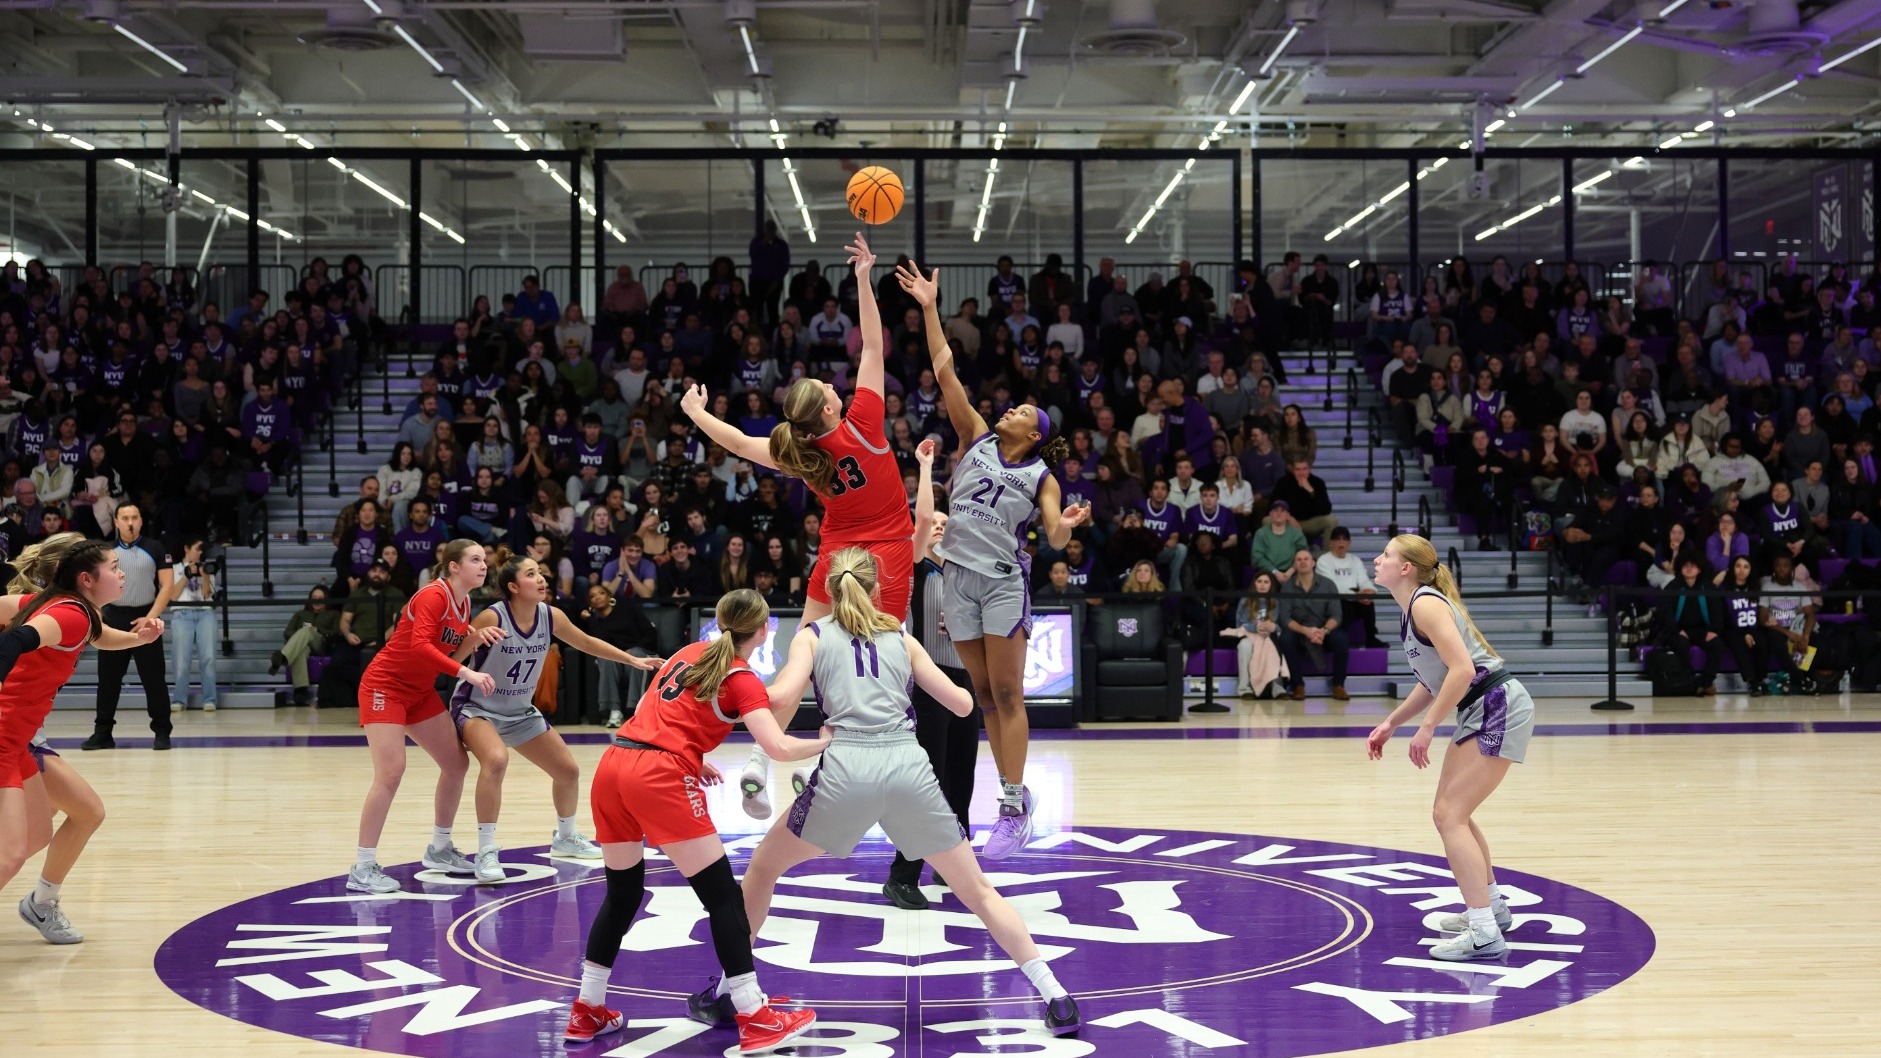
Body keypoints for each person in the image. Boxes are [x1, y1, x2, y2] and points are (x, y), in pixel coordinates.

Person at [747, 547, 1083, 1035]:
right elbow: (965, 705)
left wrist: (730, 684)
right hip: (908, 768)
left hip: (847, 769)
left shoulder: (811, 637)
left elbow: (779, 697)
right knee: (980, 893)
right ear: (878, 589)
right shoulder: (900, 635)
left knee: (763, 868)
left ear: (829, 591)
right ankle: (1055, 994)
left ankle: (729, 989)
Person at [676, 235, 912, 816]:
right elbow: (875, 347)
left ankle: (760, 760)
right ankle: (843, 766)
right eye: (830, 389)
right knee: (881, 663)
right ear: (830, 409)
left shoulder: (798, 452)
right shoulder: (864, 422)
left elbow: (734, 441)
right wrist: (862, 278)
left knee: (800, 663)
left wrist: (697, 413)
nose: (837, 385)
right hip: (886, 555)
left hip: (834, 554)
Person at [565, 590, 824, 1052]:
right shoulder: (741, 677)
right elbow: (779, 748)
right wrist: (825, 741)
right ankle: (753, 1013)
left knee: (622, 895)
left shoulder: (687, 652)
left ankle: (587, 1009)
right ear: (764, 631)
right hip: (658, 776)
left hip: (614, 765)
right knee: (724, 898)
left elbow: (661, 717)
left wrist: (691, 757)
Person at [902, 258, 1087, 858]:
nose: (1011, 408)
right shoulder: (975, 436)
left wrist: (1068, 528)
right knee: (981, 698)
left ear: (1035, 433)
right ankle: (1013, 799)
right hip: (956, 579)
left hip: (1004, 583)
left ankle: (1011, 802)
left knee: (1008, 697)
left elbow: (1055, 536)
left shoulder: (1040, 474)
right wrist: (931, 307)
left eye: (1023, 411)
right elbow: (944, 368)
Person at [1366, 533, 1536, 961]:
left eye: (1385, 554)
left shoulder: (1425, 603)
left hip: (1495, 702)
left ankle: (1483, 933)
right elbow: (1434, 681)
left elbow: (1461, 670)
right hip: (1481, 706)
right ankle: (1492, 909)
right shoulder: (1412, 608)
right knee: (1451, 812)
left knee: (1449, 814)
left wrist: (1426, 728)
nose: (1377, 559)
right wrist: (1392, 722)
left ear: (1406, 568)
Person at [451, 549, 665, 881]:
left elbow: (587, 642)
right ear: (513, 586)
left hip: (521, 711)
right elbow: (452, 660)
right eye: (532, 574)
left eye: (541, 573)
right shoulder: (492, 617)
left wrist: (633, 661)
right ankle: (486, 852)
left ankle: (565, 838)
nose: (541, 579)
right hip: (478, 708)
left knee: (568, 770)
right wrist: (473, 639)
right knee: (495, 761)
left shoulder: (550, 615)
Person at [0, 538, 163, 944]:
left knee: (50, 828)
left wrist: (139, 640)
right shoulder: (70, 616)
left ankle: (40, 903)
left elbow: (101, 635)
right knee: (10, 854)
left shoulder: (70, 610)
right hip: (4, 737)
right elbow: (14, 641)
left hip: (18, 741)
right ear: (87, 579)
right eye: (113, 566)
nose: (122, 571)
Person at [345, 540, 506, 895]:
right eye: (475, 560)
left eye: (484, 560)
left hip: (418, 693)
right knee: (390, 773)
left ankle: (440, 849)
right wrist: (470, 675)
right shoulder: (433, 595)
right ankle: (362, 866)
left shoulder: (462, 602)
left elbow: (449, 651)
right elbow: (420, 646)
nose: (483, 565)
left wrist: (475, 637)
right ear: (453, 566)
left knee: (456, 763)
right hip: (385, 687)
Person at [879, 441, 978, 907]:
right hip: (927, 681)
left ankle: (954, 864)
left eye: (945, 523)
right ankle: (903, 873)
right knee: (929, 780)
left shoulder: (966, 575)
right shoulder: (916, 566)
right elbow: (921, 522)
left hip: (965, 681)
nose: (938, 526)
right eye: (933, 522)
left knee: (962, 778)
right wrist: (925, 466)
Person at [82, 504, 173, 751]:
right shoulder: (104, 551)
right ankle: (102, 732)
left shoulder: (155, 548)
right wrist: (99, 616)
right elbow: (92, 587)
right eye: (125, 517)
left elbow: (167, 586)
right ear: (116, 521)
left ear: (141, 521)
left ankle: (162, 731)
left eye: (134, 517)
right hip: (114, 617)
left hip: (146, 616)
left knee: (154, 679)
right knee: (108, 679)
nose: (130, 522)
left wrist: (150, 618)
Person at [1277, 547, 1350, 700]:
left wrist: (1323, 631)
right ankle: (1297, 685)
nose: (1302, 562)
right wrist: (1306, 631)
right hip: (1299, 631)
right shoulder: (1287, 586)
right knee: (1285, 638)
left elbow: (1336, 615)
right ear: (1295, 565)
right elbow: (1285, 618)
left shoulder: (1328, 584)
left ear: (1313, 563)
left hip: (1323, 631)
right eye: (1299, 560)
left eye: (1306, 559)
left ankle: (1338, 685)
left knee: (1341, 638)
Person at [165, 536, 218, 713]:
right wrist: (186, 575)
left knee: (208, 658)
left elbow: (206, 595)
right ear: (187, 549)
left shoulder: (207, 569)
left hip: (205, 613)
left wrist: (204, 576)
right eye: (197, 548)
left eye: (202, 550)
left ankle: (210, 699)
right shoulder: (173, 568)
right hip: (182, 614)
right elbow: (172, 596)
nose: (200, 552)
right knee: (181, 659)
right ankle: (179, 699)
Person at [270, 585, 340, 706]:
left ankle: (284, 657)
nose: (317, 601)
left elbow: (336, 632)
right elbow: (287, 632)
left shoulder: (334, 614)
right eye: (314, 597)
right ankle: (301, 691)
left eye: (321, 598)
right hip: (302, 645)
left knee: (307, 630)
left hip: (321, 644)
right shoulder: (300, 614)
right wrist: (300, 633)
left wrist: (317, 629)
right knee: (301, 649)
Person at [1316, 527, 1385, 647]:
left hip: (1355, 597)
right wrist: (1356, 595)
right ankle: (1340, 640)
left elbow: (1364, 580)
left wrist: (1369, 591)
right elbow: (1331, 587)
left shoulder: (1355, 560)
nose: (1341, 542)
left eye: (1344, 539)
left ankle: (1370, 638)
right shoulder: (1324, 560)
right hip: (1334, 600)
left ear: (1349, 543)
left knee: (1368, 604)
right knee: (1346, 607)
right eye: (1337, 539)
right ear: (1331, 542)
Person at [1224, 570, 1287, 698]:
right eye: (1259, 581)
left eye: (1266, 582)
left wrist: (1273, 627)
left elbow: (1281, 624)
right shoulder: (1246, 600)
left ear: (1271, 585)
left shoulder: (1276, 601)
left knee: (1273, 644)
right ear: (1254, 584)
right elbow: (1240, 624)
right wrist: (1255, 627)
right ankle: (1244, 688)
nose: (1262, 585)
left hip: (1269, 636)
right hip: (1250, 635)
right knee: (1244, 646)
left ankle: (1276, 687)